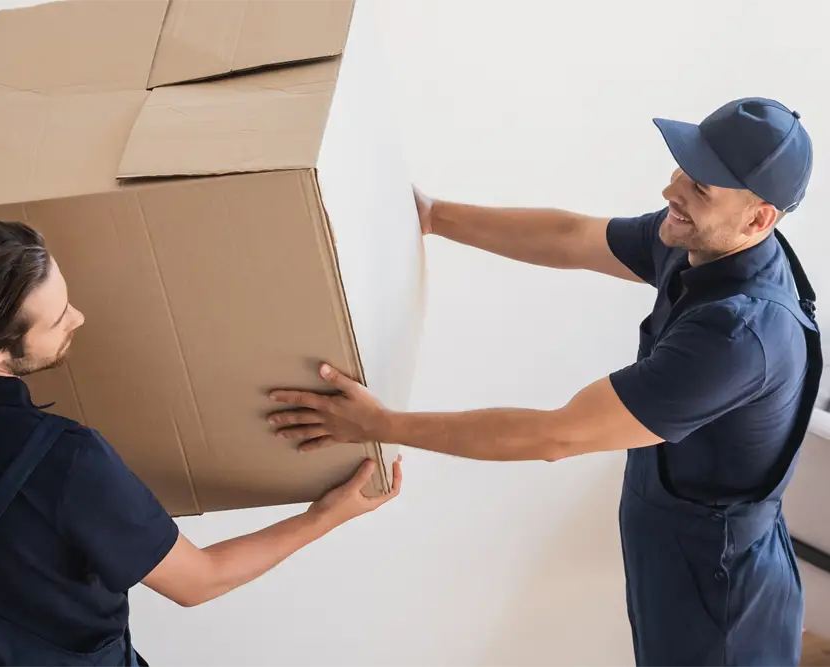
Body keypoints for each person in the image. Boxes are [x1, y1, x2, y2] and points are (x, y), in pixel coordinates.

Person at [267, 97, 823, 667]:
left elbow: (554, 436)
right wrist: (433, 215)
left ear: (759, 220)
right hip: (679, 559)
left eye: (699, 188)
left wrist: (380, 424)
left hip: (724, 605)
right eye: (683, 168)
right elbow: (571, 237)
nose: (670, 191)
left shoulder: (736, 338)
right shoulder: (706, 242)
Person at [0, 219, 402, 667]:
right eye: (58, 318)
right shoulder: (67, 461)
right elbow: (198, 581)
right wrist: (326, 515)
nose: (78, 318)